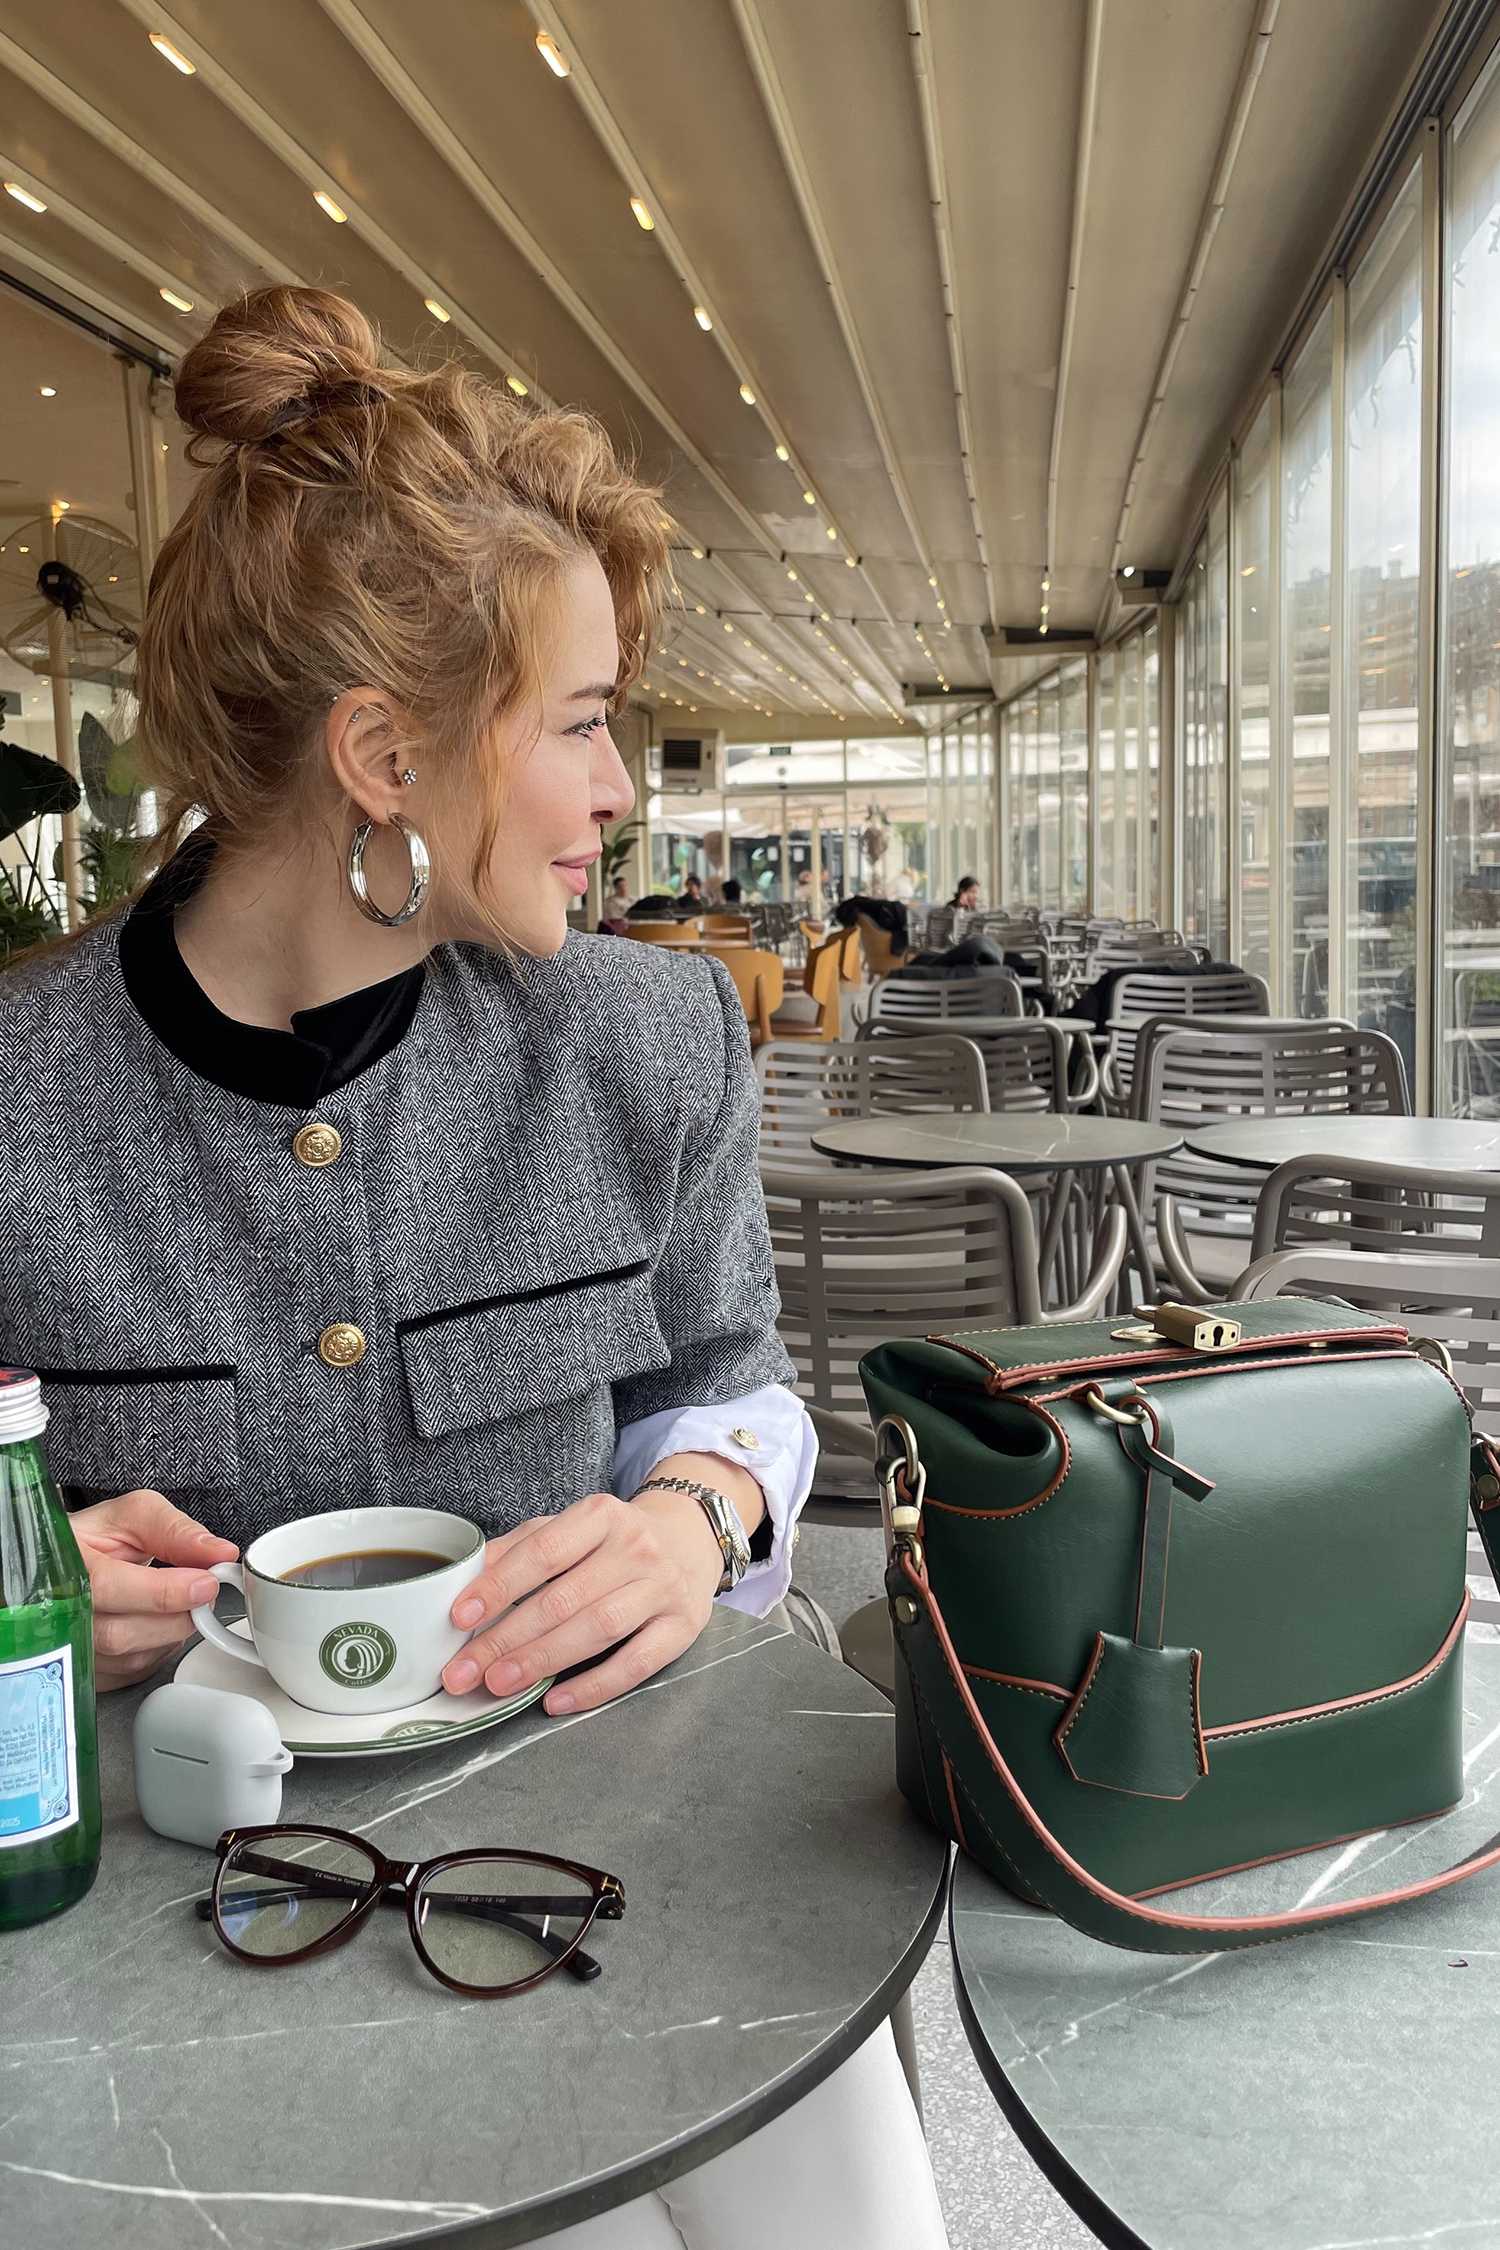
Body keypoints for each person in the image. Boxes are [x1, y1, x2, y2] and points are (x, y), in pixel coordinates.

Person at [0, 288, 944, 2250]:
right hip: (176, 1943)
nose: (622, 791)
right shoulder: (21, 1096)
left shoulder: (647, 1042)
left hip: (625, 1855)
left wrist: (695, 1516)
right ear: (382, 751)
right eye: (582, 725)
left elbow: (734, 1389)